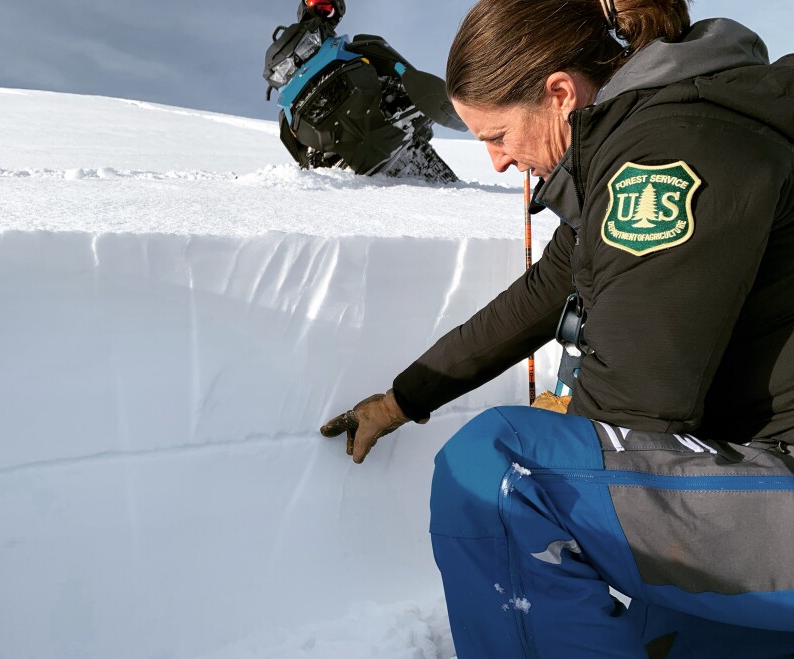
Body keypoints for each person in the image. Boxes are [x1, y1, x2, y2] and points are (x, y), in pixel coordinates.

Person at [320, 0, 794, 656]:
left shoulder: (666, 153)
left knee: (505, 471)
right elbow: (543, 293)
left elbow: (638, 410)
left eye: (497, 135)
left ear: (560, 93)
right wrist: (405, 397)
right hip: (764, 484)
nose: (497, 163)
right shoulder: (671, 124)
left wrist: (569, 430)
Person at [262, 0, 465, 183]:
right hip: (309, 87)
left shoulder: (329, 35)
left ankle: (405, 91)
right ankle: (312, 159)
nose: (321, 9)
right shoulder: (294, 38)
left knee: (369, 45)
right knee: (285, 120)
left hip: (341, 63)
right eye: (317, 4)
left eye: (326, 7)